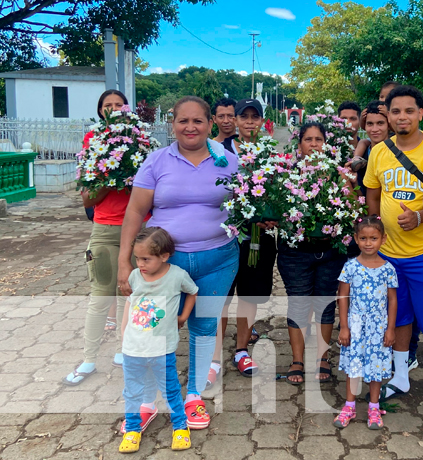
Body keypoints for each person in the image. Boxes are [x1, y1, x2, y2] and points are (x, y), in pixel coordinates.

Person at [118, 96, 239, 430]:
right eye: (183, 121)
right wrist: (123, 262)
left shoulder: (228, 161)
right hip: (162, 269)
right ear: (172, 124)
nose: (190, 127)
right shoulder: (157, 162)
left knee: (203, 328)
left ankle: (194, 397)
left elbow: (248, 202)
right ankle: (145, 403)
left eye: (197, 121)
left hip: (219, 260)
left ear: (210, 123)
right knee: (149, 332)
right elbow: (134, 212)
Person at [363, 85, 423, 426]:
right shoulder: (379, 152)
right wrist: (375, 234)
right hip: (389, 255)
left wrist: (420, 217)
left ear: (420, 113)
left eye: (408, 111)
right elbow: (374, 196)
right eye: (395, 111)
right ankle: (400, 377)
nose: (401, 117)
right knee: (397, 317)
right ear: (387, 115)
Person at [63, 89, 134, 386]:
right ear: (100, 111)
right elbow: (87, 200)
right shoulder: (92, 143)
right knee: (100, 295)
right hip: (105, 229)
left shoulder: (137, 142)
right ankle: (89, 359)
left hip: (136, 229)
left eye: (119, 104)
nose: (114, 109)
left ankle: (122, 350)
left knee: (127, 293)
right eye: (108, 106)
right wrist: (113, 173)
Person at [277, 122, 347, 385]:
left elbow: (349, 209)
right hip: (295, 252)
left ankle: (322, 358)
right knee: (298, 304)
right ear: (300, 146)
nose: (314, 144)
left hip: (329, 251)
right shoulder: (286, 175)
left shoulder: (337, 175)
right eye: (309, 139)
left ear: (325, 145)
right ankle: (297, 359)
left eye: (319, 139)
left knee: (325, 304)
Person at [119, 227, 197, 453]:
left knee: (170, 389)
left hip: (162, 349)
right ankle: (133, 428)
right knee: (132, 391)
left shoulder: (177, 275)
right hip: (133, 348)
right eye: (137, 258)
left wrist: (183, 316)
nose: (140, 264)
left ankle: (180, 427)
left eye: (146, 259)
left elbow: (193, 292)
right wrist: (124, 334)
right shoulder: (134, 276)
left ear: (164, 256)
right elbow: (129, 304)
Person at [217, 98, 276, 381]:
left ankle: (241, 349)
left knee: (250, 293)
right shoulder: (220, 152)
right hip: (226, 235)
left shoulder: (269, 153)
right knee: (223, 294)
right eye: (245, 116)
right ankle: (214, 352)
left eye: (256, 117)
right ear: (236, 121)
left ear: (262, 122)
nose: (250, 121)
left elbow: (276, 190)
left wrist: (272, 215)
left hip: (258, 234)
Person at [334, 215, 397, 430]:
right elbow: (342, 297)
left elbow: (392, 299)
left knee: (376, 366)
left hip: (378, 328)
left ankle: (373, 406)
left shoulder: (388, 268)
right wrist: (344, 327)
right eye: (363, 238)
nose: (368, 243)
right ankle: (349, 406)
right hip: (356, 326)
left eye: (373, 238)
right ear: (355, 239)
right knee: (354, 366)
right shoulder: (350, 266)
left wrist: (390, 329)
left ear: (383, 239)